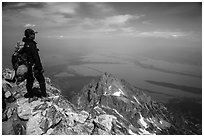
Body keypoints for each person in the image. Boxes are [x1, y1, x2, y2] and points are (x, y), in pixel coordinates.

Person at [22, 28, 47, 98]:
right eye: (33, 34)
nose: (34, 35)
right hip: (34, 66)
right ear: (30, 35)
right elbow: (36, 57)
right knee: (41, 80)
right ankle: (44, 95)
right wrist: (40, 68)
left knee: (30, 80)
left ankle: (30, 94)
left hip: (28, 65)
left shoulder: (25, 43)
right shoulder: (32, 44)